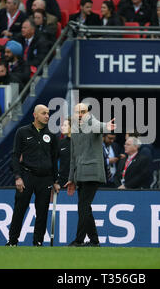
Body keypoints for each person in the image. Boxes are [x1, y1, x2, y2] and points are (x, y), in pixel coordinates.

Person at [6, 104, 60, 247]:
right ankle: (12, 241)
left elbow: (54, 159)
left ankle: (38, 242)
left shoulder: (52, 134)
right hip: (27, 176)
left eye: (48, 113)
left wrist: (56, 180)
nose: (47, 116)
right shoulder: (22, 132)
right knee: (19, 209)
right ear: (35, 115)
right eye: (44, 113)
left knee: (42, 212)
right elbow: (15, 156)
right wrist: (17, 176)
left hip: (46, 178)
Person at [65, 102, 116, 247]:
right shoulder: (74, 129)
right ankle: (94, 241)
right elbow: (73, 157)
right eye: (77, 112)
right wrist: (71, 179)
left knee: (83, 207)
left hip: (92, 173)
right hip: (80, 175)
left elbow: (98, 125)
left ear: (87, 113)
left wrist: (106, 126)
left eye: (83, 111)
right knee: (85, 208)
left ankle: (79, 240)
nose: (80, 114)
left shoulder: (91, 122)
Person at [13, 20, 51, 85]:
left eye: (25, 28)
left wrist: (25, 65)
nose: (22, 30)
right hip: (20, 67)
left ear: (32, 30)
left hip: (33, 68)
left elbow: (40, 59)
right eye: (22, 28)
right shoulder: (19, 38)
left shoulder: (41, 41)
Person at [58, 117, 71, 187]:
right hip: (62, 181)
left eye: (65, 125)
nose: (62, 127)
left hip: (76, 181)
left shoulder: (79, 143)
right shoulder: (60, 143)